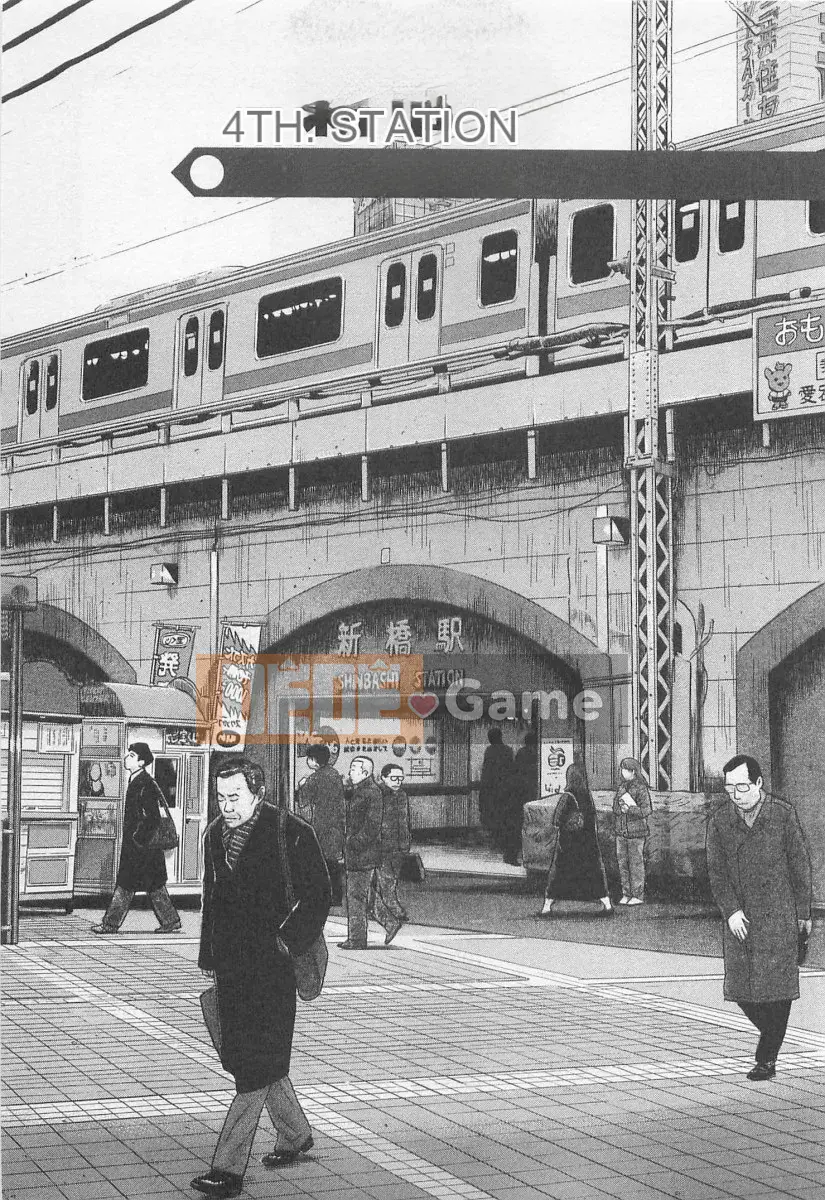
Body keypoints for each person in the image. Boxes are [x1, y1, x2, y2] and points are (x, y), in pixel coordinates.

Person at [192, 757, 330, 1198]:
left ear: (258, 792)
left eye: (234, 797)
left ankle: (228, 1169)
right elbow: (212, 900)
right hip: (232, 966)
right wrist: (208, 955)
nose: (226, 806)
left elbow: (321, 895)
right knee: (251, 1056)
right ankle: (294, 1134)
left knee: (252, 1066)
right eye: (220, 797)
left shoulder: (290, 832)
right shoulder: (215, 835)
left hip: (274, 967)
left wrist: (287, 941)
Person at [707, 753, 812, 1082]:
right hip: (741, 920)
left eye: (741, 787)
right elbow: (717, 873)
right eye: (729, 789)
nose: (735, 795)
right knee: (741, 989)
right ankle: (773, 1038)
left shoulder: (782, 815)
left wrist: (804, 913)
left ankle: (766, 1058)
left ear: (758, 784)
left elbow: (799, 866)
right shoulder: (720, 821)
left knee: (778, 990)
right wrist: (731, 911)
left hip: (779, 916)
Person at [91, 742, 181, 935]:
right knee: (154, 886)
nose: (126, 758)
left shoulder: (144, 783)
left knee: (126, 886)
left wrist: (137, 838)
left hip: (141, 849)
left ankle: (110, 924)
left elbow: (153, 818)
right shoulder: (137, 780)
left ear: (141, 761)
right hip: (144, 849)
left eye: (131, 755)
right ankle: (171, 920)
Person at [540, 760, 612, 916]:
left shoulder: (567, 796)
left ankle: (547, 906)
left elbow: (557, 819)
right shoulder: (587, 795)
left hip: (569, 843)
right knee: (594, 874)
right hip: (588, 843)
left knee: (559, 874)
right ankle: (606, 903)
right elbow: (592, 817)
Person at [338, 755, 396, 949]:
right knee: (365, 894)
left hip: (363, 853)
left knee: (355, 896)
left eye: (354, 769)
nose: (350, 772)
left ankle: (357, 939)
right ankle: (391, 923)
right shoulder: (361, 791)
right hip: (361, 853)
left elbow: (371, 826)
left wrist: (354, 843)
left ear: (365, 772)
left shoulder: (371, 793)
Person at [295, 744, 345, 906]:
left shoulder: (315, 778)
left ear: (314, 761)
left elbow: (303, 799)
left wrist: (300, 785)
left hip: (322, 822)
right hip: (336, 823)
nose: (308, 762)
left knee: (321, 861)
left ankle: (325, 896)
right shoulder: (335, 774)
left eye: (309, 759)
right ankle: (337, 896)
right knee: (333, 862)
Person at [374, 762, 412, 934]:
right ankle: (392, 908)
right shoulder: (378, 795)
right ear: (383, 778)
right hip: (383, 844)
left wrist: (406, 841)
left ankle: (389, 906)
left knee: (392, 878)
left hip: (399, 844)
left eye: (400, 779)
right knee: (386, 878)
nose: (398, 782)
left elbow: (405, 821)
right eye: (394, 778)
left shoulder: (402, 795)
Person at [612, 756, 652, 905]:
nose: (623, 772)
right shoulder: (621, 787)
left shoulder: (641, 788)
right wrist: (619, 808)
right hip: (621, 831)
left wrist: (631, 809)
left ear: (633, 771)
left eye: (626, 769)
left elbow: (647, 810)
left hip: (636, 833)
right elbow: (615, 808)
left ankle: (638, 895)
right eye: (622, 769)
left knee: (636, 864)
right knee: (623, 864)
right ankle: (626, 893)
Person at [478, 728, 515, 861]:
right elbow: (512, 771)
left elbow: (486, 773)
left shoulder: (489, 751)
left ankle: (496, 841)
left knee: (493, 816)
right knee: (504, 817)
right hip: (505, 790)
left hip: (491, 790)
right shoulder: (508, 750)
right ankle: (502, 841)